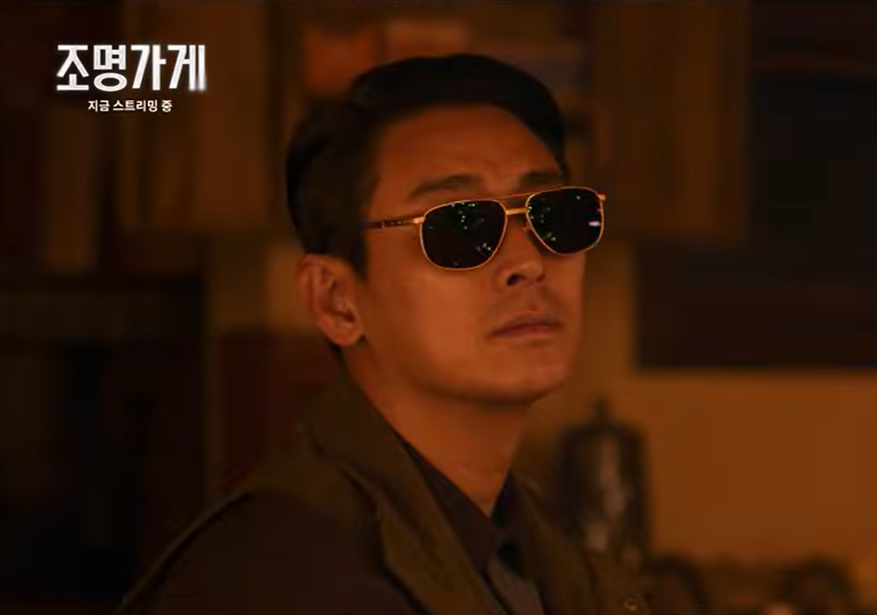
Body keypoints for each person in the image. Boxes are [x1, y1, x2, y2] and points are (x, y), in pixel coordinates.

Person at [113, 54, 650, 615]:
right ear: (336, 301)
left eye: (554, 214)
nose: (529, 262)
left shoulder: (535, 553)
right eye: (459, 225)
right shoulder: (275, 573)